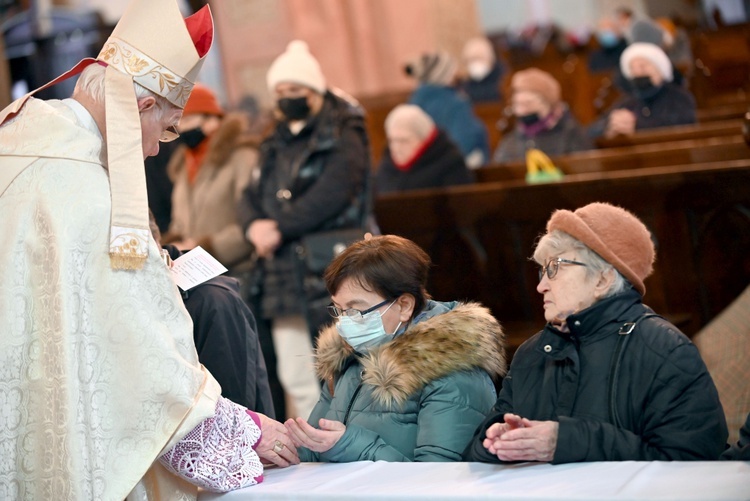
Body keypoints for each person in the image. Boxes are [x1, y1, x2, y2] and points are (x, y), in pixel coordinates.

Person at [0, 1, 298, 499]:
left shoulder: (19, 142)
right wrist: (247, 430)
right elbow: (145, 369)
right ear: (141, 106)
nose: (159, 147)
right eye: (168, 127)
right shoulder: (91, 194)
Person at [463, 202, 728, 463]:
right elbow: (473, 452)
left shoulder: (666, 350)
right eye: (542, 270)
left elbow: (693, 463)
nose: (541, 286)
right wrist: (497, 442)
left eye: (554, 268)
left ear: (602, 279)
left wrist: (567, 442)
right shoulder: (532, 353)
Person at [238, 40, 370, 422]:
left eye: (294, 91)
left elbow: (334, 192)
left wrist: (279, 226)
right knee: (294, 370)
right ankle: (311, 445)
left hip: (330, 262)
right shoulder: (273, 138)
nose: (286, 99)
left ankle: (346, 436)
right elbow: (250, 192)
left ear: (314, 92)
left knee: (342, 367)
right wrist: (254, 226)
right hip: (281, 268)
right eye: (279, 92)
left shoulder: (345, 130)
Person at [284, 235, 506, 462]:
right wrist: (284, 444)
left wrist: (349, 444)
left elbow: (439, 477)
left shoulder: (454, 373)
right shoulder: (350, 358)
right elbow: (315, 445)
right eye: (339, 310)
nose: (345, 323)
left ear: (404, 306)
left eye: (356, 311)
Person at [162, 83, 258, 276]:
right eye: (179, 122)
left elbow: (252, 219)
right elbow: (180, 221)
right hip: (197, 274)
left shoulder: (241, 157)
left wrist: (202, 248)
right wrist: (173, 245)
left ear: (212, 119)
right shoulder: (184, 163)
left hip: (239, 272)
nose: (183, 128)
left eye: (189, 120)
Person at [589, 42, 696, 139]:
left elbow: (681, 127)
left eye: (643, 66)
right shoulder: (627, 101)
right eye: (633, 69)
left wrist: (637, 128)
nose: (638, 73)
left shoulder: (679, 97)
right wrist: (609, 128)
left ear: (660, 69)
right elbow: (592, 130)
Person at [406, 51, 490, 168]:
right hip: (454, 169)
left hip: (421, 167)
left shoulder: (413, 103)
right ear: (444, 75)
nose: (455, 75)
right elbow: (464, 143)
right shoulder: (456, 103)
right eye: (451, 72)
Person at [493, 68, 591, 164]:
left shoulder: (570, 133)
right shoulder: (510, 142)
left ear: (546, 101)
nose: (520, 98)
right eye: (517, 94)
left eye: (529, 102)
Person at [376, 104, 474, 194]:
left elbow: (462, 205)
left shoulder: (450, 163)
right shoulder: (386, 167)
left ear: (424, 140)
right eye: (392, 140)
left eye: (403, 141)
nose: (396, 147)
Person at [458, 36, 505, 103]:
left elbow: (498, 92)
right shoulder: (467, 82)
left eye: (479, 58)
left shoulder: (502, 74)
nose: (475, 63)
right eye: (471, 60)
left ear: (489, 58)